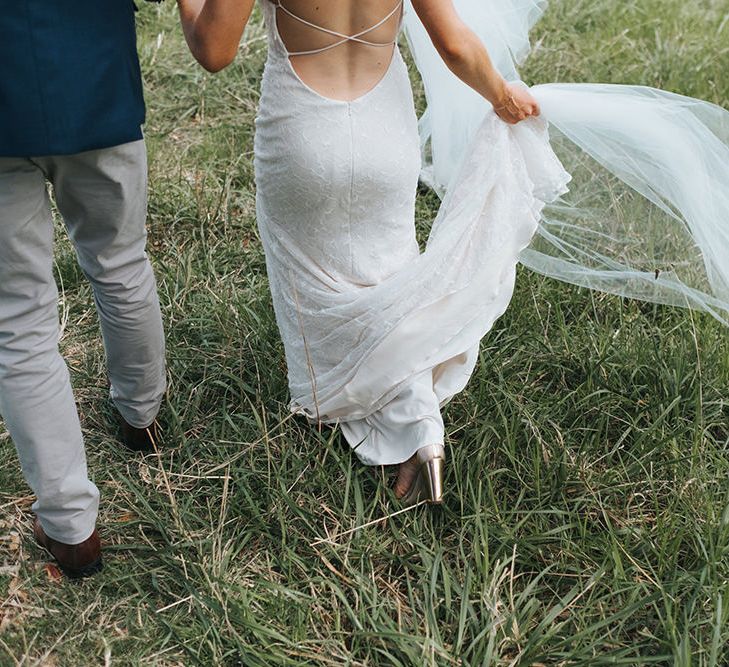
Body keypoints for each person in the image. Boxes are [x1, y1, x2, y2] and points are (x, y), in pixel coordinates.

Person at [176, 0, 542, 505]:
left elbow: (214, 49)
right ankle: (420, 425)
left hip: (302, 131)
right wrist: (501, 95)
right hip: (385, 134)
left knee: (306, 273)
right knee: (392, 277)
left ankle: (336, 399)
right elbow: (455, 45)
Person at [0, 0, 167, 578]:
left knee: (18, 317)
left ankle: (71, 529)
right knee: (120, 260)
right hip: (90, 73)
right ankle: (142, 416)